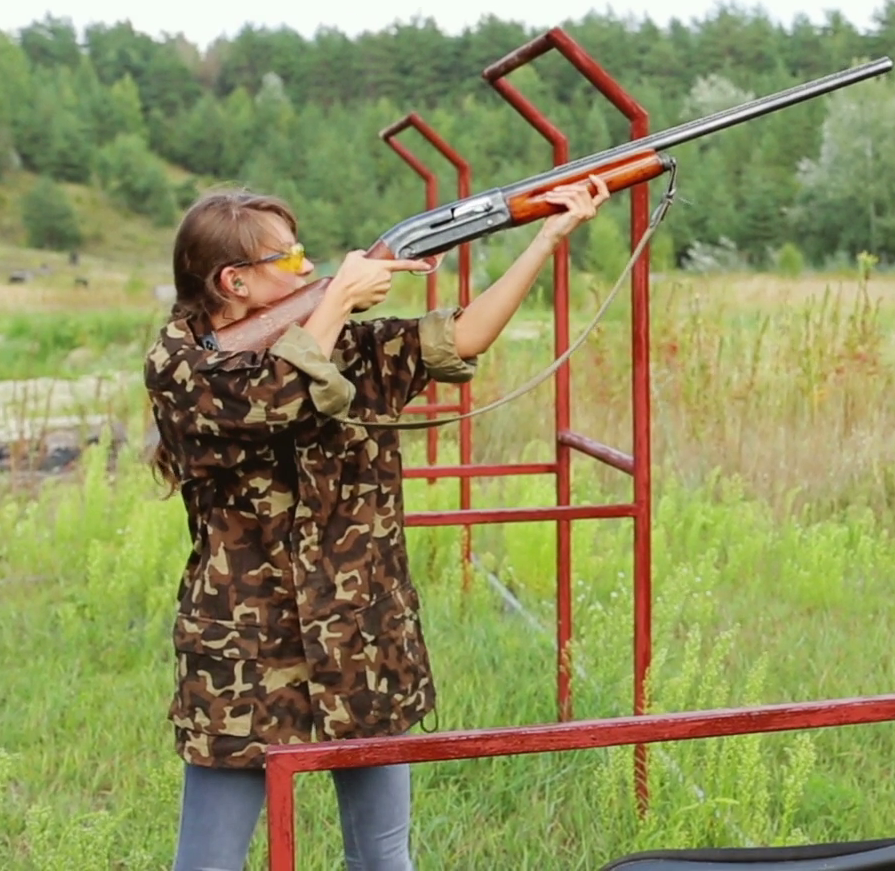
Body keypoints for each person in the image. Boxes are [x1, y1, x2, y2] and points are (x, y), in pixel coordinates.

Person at [145, 176, 609, 871]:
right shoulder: (180, 366)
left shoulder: (345, 345)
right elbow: (271, 398)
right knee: (209, 863)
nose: (310, 267)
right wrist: (335, 299)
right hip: (245, 651)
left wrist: (546, 236)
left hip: (363, 636)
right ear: (234, 282)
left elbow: (462, 336)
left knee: (384, 858)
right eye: (289, 259)